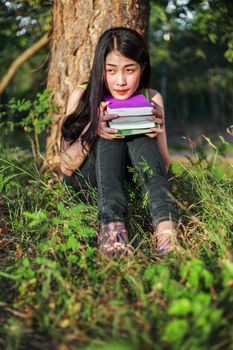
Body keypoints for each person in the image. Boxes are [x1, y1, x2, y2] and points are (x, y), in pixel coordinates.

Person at [60, 27, 179, 258]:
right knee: (109, 133)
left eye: (129, 70)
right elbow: (65, 166)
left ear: (142, 68)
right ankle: (112, 229)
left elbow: (163, 167)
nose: (121, 81)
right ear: (100, 70)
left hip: (131, 182)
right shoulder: (80, 95)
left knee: (137, 133)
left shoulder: (151, 98)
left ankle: (166, 230)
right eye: (111, 71)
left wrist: (156, 129)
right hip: (89, 184)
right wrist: (94, 128)